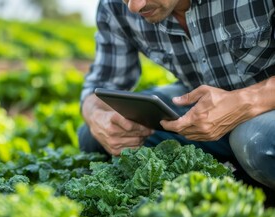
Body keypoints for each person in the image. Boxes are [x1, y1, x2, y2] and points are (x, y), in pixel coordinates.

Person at [79, 0, 275, 196]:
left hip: (267, 106)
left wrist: (244, 101)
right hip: (200, 110)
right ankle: (238, 170)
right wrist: (96, 116)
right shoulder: (114, 7)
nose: (134, 7)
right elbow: (100, 85)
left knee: (257, 144)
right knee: (93, 136)